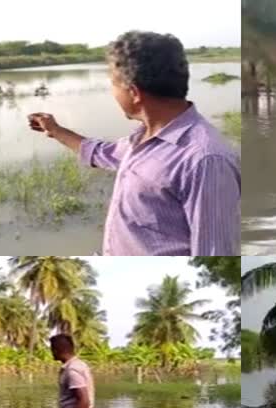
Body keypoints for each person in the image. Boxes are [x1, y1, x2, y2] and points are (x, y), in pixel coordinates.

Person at [28, 31, 240, 256]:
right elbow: (102, 153)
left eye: (113, 84)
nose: (112, 92)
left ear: (134, 92)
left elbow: (215, 253)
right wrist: (56, 130)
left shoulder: (205, 160)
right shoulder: (143, 138)